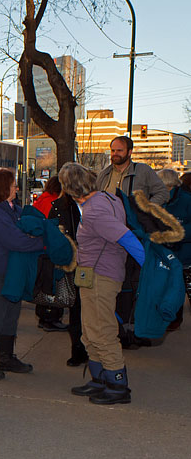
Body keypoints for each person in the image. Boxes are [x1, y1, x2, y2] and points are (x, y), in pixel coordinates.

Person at [59, 162, 144, 405]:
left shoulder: (95, 210)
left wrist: (148, 272)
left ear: (70, 187)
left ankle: (118, 384)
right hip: (96, 275)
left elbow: (127, 238)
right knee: (90, 330)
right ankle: (100, 379)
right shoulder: (109, 198)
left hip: (101, 277)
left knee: (102, 331)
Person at [0, 168, 45, 380]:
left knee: (10, 316)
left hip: (11, 272)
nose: (17, 187)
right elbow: (17, 241)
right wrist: (43, 243)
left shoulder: (11, 209)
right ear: (3, 188)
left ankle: (6, 357)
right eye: (13, 184)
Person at [48, 191, 88, 366]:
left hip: (93, 262)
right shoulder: (59, 206)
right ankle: (78, 349)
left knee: (90, 308)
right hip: (73, 264)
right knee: (76, 308)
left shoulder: (97, 203)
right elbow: (52, 235)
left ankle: (90, 349)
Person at [32, 176, 68, 332]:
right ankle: (50, 317)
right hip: (49, 249)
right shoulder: (53, 203)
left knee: (44, 284)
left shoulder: (43, 199)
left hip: (42, 249)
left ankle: (45, 316)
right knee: (51, 284)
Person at [158, 168, 191, 331]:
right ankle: (174, 319)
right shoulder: (160, 200)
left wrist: (177, 233)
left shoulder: (186, 200)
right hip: (168, 254)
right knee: (172, 289)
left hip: (185, 254)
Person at [95, 135, 168, 205]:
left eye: (119, 150)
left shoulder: (143, 171)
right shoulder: (104, 174)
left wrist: (146, 209)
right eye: (113, 150)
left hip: (134, 217)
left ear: (129, 152)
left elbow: (163, 193)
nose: (115, 153)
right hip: (108, 217)